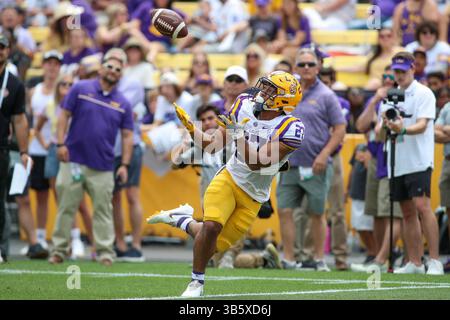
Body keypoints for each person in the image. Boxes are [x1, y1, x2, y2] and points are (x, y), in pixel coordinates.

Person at [148, 70, 304, 297]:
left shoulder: (291, 128)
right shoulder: (244, 104)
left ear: (284, 99)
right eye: (265, 86)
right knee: (211, 226)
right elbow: (213, 146)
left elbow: (257, 162)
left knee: (213, 245)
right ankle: (196, 283)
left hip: (254, 195)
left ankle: (181, 219)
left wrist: (238, 133)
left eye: (271, 89)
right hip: (230, 177)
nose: (263, 91)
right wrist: (193, 129)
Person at [49, 48, 134, 266]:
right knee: (66, 207)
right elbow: (63, 116)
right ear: (101, 67)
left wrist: (124, 164)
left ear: (121, 73)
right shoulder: (80, 88)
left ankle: (105, 253)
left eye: (118, 68)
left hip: (103, 165)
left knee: (103, 212)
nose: (113, 70)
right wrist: (60, 143)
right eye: (110, 66)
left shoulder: (124, 102)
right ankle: (58, 250)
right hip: (73, 160)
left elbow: (127, 136)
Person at [277, 48, 346, 271]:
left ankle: (318, 259)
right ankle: (289, 257)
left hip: (315, 164)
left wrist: (325, 154)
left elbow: (340, 128)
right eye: (302, 64)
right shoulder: (287, 93)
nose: (306, 68)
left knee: (316, 213)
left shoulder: (326, 95)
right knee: (285, 210)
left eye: (310, 64)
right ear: (295, 67)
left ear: (318, 67)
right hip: (288, 162)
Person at [380, 52, 443, 275]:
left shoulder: (424, 93)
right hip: (397, 159)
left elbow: (423, 125)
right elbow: (381, 133)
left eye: (403, 71)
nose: (399, 75)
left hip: (418, 159)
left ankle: (434, 260)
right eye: (396, 71)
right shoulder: (389, 95)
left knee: (423, 207)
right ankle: (414, 262)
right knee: (407, 212)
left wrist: (402, 128)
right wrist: (386, 125)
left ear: (412, 69)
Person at [34, 73, 94, 260]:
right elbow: (37, 128)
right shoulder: (51, 106)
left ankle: (94, 244)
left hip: (74, 153)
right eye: (63, 84)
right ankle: (67, 243)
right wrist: (46, 144)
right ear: (58, 87)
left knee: (80, 203)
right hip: (55, 152)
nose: (67, 88)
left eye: (70, 85)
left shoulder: (79, 107)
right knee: (61, 201)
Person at [353, 65, 403, 273]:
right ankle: (378, 255)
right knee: (376, 211)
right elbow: (360, 126)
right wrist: (374, 100)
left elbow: (380, 131)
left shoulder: (402, 99)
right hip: (376, 158)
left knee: (391, 211)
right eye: (384, 77)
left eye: (391, 77)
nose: (387, 80)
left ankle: (386, 257)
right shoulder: (378, 101)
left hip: (393, 157)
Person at [0, 34, 32, 263]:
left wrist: (23, 151)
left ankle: (1, 249)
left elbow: (19, 120)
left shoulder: (14, 83)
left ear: (8, 51)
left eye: (2, 47)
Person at [28, 50, 63, 251]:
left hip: (58, 150)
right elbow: (33, 121)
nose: (52, 67)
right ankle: (40, 238)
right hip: (39, 150)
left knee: (62, 196)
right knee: (41, 196)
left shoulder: (64, 90)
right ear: (44, 66)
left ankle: (66, 238)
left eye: (55, 63)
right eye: (48, 63)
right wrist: (42, 143)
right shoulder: (35, 91)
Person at [336, 28, 403, 90]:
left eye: (389, 36)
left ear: (393, 38)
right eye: (382, 36)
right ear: (378, 39)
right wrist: (336, 68)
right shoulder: (374, 55)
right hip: (373, 86)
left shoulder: (400, 52)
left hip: (392, 85)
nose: (385, 38)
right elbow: (360, 67)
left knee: (374, 83)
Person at [346, 144, 376, 263]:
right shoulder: (359, 147)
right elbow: (352, 170)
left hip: (366, 195)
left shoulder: (373, 149)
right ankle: (371, 251)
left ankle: (374, 251)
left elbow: (372, 169)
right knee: (359, 226)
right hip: (356, 194)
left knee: (367, 226)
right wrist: (347, 189)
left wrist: (367, 160)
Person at [434, 101, 450, 273]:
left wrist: (445, 129)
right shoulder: (447, 107)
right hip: (447, 162)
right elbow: (433, 131)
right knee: (448, 209)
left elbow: (441, 130)